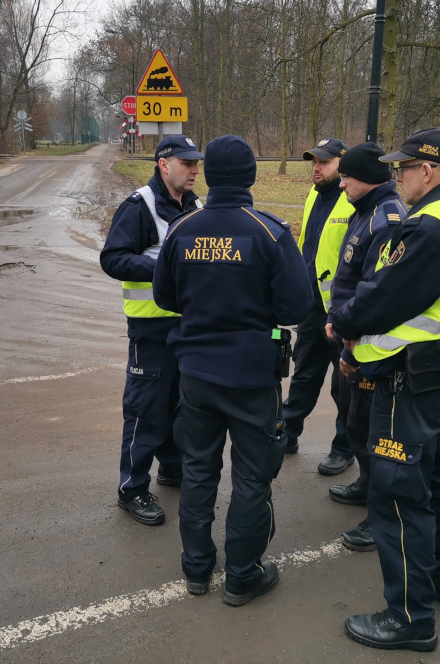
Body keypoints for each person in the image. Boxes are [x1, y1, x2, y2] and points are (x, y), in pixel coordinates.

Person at [331, 127, 440, 652]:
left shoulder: (431, 229)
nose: (396, 178)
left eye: (402, 169)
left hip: (405, 381)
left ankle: (408, 619)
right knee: (433, 481)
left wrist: (345, 322)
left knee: (398, 496)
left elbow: (384, 298)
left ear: (427, 170)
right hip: (437, 374)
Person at [152, 134, 312, 606]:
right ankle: (242, 575)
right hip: (251, 377)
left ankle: (197, 568)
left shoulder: (183, 229)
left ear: (210, 175)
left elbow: (165, 297)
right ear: (251, 177)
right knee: (251, 476)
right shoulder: (269, 232)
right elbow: (297, 305)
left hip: (197, 374)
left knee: (198, 471)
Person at [99, 134, 204, 526]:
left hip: (186, 327)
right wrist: (164, 269)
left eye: (197, 164)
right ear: (164, 164)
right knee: (145, 410)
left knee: (179, 405)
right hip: (150, 329)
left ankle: (171, 468)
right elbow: (112, 259)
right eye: (188, 163)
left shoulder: (195, 206)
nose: (195, 170)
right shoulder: (139, 206)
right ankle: (132, 488)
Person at [322, 142, 406, 553]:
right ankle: (367, 486)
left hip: (368, 346)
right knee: (353, 417)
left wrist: (351, 343)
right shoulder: (365, 213)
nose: (342, 185)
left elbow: (376, 294)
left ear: (367, 178)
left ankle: (381, 516)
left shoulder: (386, 220)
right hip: (351, 337)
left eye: (347, 178)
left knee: (373, 432)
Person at [282, 138, 356, 476]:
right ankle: (288, 430)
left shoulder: (353, 200)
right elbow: (307, 246)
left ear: (342, 165)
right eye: (314, 161)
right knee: (305, 373)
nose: (316, 167)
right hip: (312, 304)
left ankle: (344, 447)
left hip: (342, 309)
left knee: (344, 386)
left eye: (324, 162)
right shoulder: (315, 194)